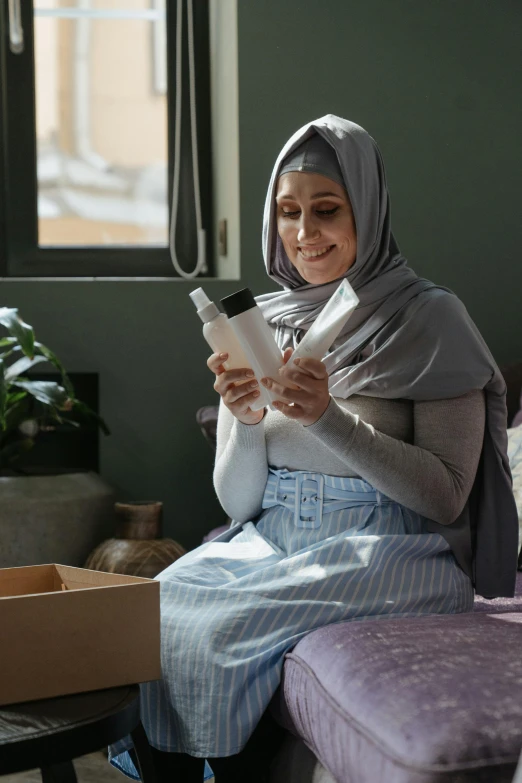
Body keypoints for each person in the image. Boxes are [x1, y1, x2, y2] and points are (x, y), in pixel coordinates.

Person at [109, 115, 518, 783]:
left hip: (388, 543)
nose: (304, 234)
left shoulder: (431, 318)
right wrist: (242, 418)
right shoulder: (266, 319)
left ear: (370, 208)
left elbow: (446, 494)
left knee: (217, 634)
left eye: (326, 210)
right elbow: (240, 502)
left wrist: (328, 417)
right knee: (148, 611)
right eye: (288, 213)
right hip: (275, 536)